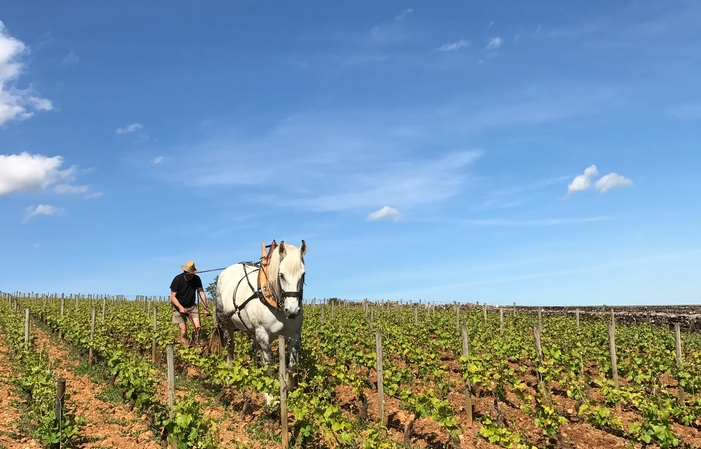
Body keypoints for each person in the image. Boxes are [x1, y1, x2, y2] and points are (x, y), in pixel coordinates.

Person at [170, 260, 211, 347]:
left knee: (198, 328)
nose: (192, 275)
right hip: (178, 308)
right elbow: (173, 297)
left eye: (193, 273)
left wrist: (205, 308)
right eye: (190, 273)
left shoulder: (196, 279)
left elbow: (201, 293)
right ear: (185, 272)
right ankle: (185, 347)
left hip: (191, 307)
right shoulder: (177, 279)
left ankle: (195, 346)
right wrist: (180, 307)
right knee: (183, 330)